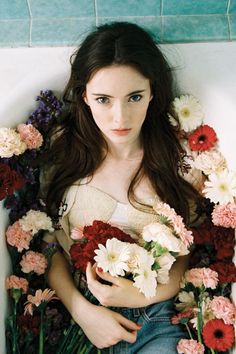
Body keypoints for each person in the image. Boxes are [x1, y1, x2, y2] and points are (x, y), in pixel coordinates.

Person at [42, 22, 203, 353]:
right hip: (82, 317)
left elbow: (185, 256)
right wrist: (82, 311)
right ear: (84, 95)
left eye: (134, 97)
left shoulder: (176, 161)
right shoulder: (64, 153)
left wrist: (145, 294)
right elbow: (50, 250)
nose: (120, 117)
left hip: (156, 317)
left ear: (152, 92)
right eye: (103, 99)